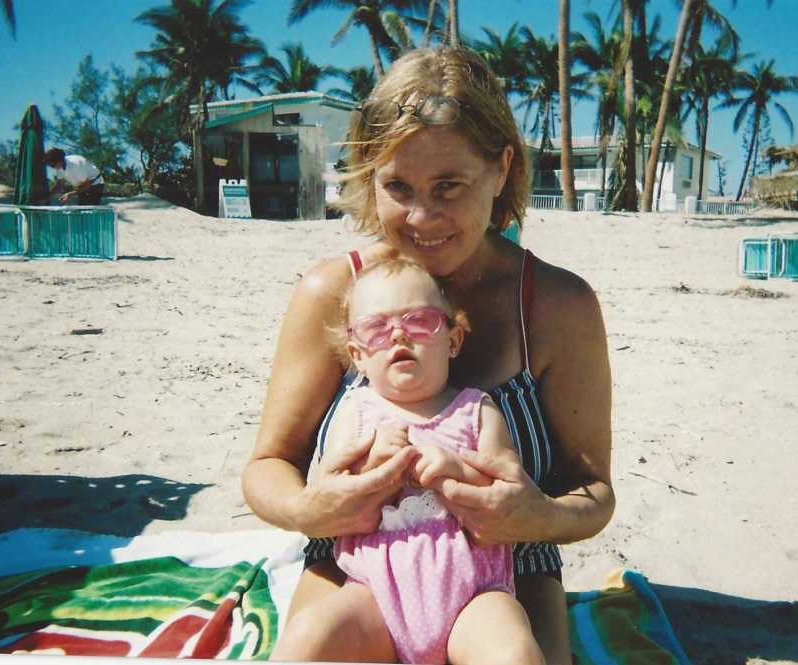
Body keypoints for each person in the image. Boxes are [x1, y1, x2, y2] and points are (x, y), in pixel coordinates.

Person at [242, 46, 614, 665]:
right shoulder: (331, 294)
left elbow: (593, 493)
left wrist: (537, 516)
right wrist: (313, 508)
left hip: (508, 574)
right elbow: (268, 466)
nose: (422, 217)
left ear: (500, 171)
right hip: (356, 567)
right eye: (397, 187)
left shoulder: (556, 306)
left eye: (449, 186)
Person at [271, 256, 544, 664]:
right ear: (357, 355)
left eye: (420, 322)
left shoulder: (476, 410)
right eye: (376, 329)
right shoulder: (358, 411)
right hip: (373, 593)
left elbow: (506, 489)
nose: (398, 335)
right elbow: (331, 488)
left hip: (474, 594)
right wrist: (373, 466)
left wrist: (456, 468)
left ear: (452, 341)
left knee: (514, 650)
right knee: (309, 637)